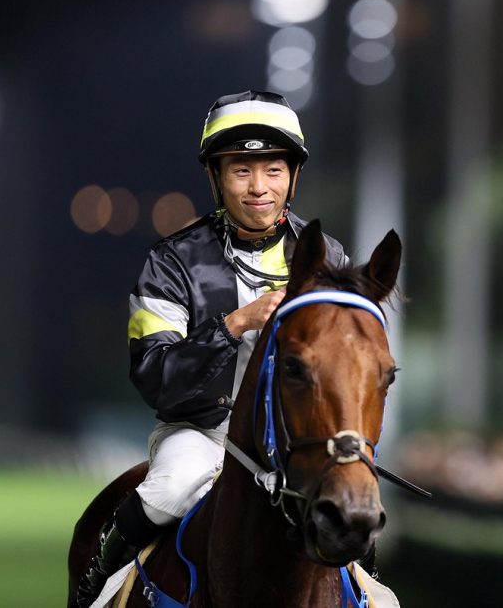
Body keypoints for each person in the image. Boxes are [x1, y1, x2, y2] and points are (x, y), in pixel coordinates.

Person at [76, 90, 349, 607]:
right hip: (201, 433)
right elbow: (156, 378)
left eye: (272, 170)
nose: (258, 187)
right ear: (216, 177)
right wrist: (233, 325)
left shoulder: (326, 256)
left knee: (348, 510)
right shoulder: (170, 262)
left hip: (294, 440)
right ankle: (99, 583)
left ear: (293, 175)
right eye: (241, 171)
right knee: (170, 488)